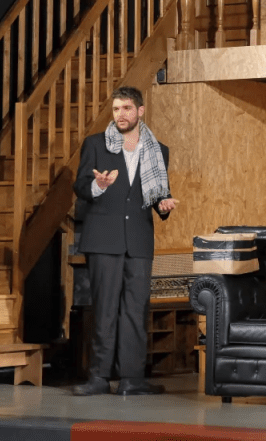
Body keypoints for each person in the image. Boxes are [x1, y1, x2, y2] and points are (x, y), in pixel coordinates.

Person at [72, 86, 178, 396]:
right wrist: (98, 186)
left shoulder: (159, 150)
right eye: (117, 109)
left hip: (139, 241)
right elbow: (81, 186)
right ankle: (99, 377)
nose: (121, 114)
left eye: (127, 108)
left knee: (135, 310)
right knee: (104, 310)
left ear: (140, 111)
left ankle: (132, 379)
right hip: (104, 239)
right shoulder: (95, 144)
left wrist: (163, 206)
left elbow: (158, 195)